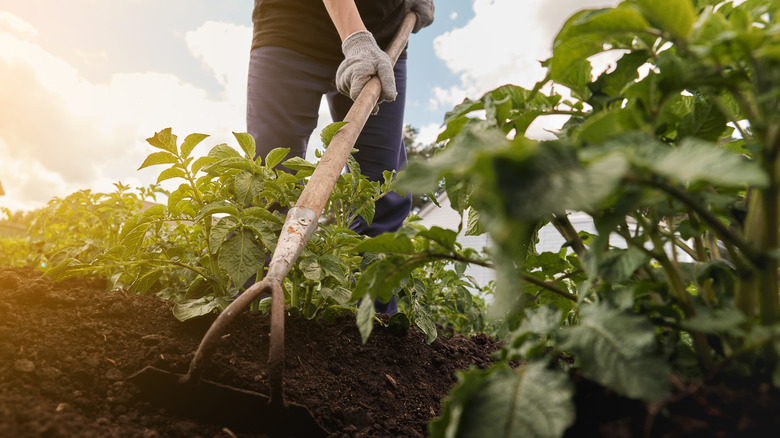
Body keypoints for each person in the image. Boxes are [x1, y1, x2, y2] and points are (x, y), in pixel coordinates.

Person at [246, 0, 434, 314]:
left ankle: (373, 329)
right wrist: (355, 38)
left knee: (383, 194)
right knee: (268, 185)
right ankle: (248, 321)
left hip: (383, 44)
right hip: (292, 29)